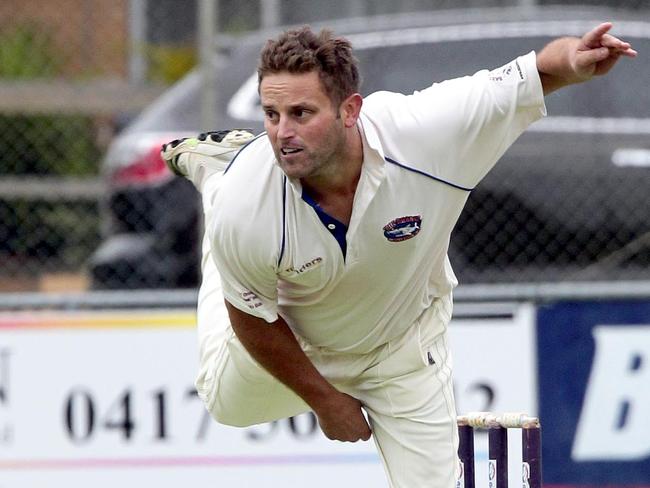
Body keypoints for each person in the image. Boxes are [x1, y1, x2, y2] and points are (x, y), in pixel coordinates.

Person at [161, 22, 635, 487]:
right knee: (225, 404)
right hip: (301, 339)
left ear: (350, 110)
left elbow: (534, 74)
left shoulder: (424, 131)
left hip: (402, 345)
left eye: (301, 114)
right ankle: (216, 177)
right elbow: (251, 318)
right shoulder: (248, 202)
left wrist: (575, 60)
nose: (282, 133)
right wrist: (325, 400)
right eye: (270, 114)